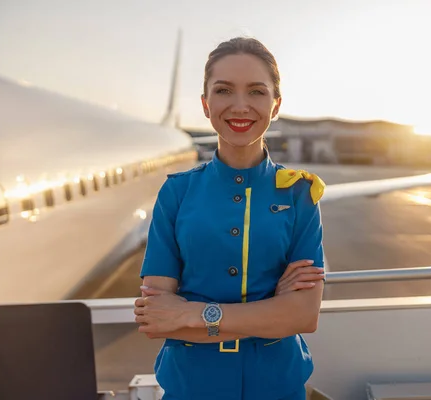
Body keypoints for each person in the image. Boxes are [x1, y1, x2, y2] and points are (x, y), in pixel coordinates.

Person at [134, 36, 326, 400]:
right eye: (224, 91)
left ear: (276, 105)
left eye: (256, 92)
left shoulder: (300, 194)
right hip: (191, 387)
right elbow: (157, 317)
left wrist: (191, 314)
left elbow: (303, 316)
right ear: (206, 105)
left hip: (277, 387)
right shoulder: (176, 193)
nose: (240, 106)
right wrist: (271, 314)